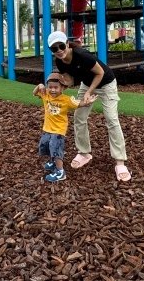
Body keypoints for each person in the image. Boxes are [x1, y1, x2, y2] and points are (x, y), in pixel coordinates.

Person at [48, 30, 132, 182]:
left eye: (61, 46)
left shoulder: (82, 55)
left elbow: (99, 73)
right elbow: (71, 77)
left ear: (67, 44)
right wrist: (60, 87)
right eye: (54, 49)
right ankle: (84, 153)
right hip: (87, 84)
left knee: (111, 119)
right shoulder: (60, 61)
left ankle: (120, 162)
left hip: (106, 83)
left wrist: (89, 92)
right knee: (79, 117)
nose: (59, 51)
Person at [33, 72, 96, 183]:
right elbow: (34, 93)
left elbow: (78, 103)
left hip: (58, 130)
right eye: (50, 87)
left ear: (62, 88)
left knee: (56, 148)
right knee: (46, 145)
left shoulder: (66, 100)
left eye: (56, 87)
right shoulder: (45, 94)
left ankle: (60, 172)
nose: (52, 90)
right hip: (47, 128)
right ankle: (53, 162)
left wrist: (87, 102)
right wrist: (39, 86)